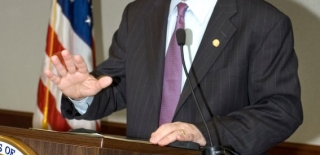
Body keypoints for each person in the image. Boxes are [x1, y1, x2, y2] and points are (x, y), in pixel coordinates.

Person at [45, 0, 303, 154]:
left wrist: (204, 133)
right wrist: (82, 96)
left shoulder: (263, 21)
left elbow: (281, 110)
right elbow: (116, 86)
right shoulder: (139, 12)